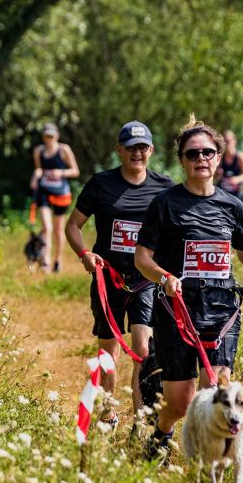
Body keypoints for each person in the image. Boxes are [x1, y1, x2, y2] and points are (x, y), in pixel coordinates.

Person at [134, 116, 243, 461]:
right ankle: (161, 434)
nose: (200, 159)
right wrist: (164, 277)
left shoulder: (232, 205)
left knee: (214, 396)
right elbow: (142, 258)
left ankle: (206, 468)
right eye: (192, 154)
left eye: (207, 152)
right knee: (180, 402)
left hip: (221, 311)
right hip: (176, 310)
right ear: (182, 161)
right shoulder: (164, 204)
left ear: (219, 158)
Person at [65, 122, 174, 427]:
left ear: (151, 150)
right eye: (130, 147)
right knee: (108, 351)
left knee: (142, 349)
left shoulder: (165, 188)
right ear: (119, 151)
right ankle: (108, 413)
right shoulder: (100, 184)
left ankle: (142, 420)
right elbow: (72, 225)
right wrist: (85, 254)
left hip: (144, 281)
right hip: (107, 279)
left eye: (143, 147)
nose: (137, 153)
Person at [30, 123, 80, 272]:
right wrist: (35, 175)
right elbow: (38, 168)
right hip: (44, 190)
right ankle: (45, 261)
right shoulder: (38, 151)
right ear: (43, 137)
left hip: (60, 192)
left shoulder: (64, 150)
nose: (49, 139)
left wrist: (61, 173)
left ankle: (57, 261)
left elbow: (75, 171)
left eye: (51, 136)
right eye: (46, 136)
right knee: (47, 227)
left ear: (57, 135)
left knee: (58, 230)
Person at [215, 129, 243, 199]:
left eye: (228, 141)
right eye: (224, 142)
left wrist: (237, 179)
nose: (227, 144)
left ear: (234, 141)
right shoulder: (220, 157)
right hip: (222, 192)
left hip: (235, 193)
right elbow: (214, 175)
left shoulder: (240, 157)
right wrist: (217, 173)